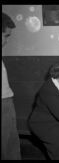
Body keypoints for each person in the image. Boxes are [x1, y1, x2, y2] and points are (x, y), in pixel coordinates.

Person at [2, 12, 21, 160]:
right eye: (5, 36)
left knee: (11, 146)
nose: (6, 41)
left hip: (7, 102)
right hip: (3, 105)